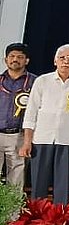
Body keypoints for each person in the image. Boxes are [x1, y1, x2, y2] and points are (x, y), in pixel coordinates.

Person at [21, 44, 69, 205]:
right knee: (38, 184)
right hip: (41, 139)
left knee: (63, 185)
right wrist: (27, 141)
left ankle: (60, 221)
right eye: (62, 58)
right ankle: (37, 221)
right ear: (55, 60)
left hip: (67, 140)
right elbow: (31, 112)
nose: (66, 62)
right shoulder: (42, 81)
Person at [0, 43, 34, 190]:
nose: (15, 59)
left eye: (20, 57)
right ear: (5, 60)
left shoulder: (35, 82)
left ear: (26, 60)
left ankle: (12, 214)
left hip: (20, 136)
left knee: (16, 180)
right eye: (12, 56)